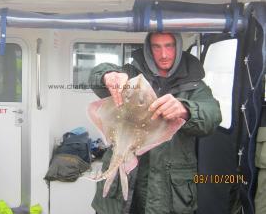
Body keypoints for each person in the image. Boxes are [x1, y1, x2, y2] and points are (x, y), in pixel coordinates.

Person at [89, 32, 222, 214]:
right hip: (122, 184)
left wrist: (186, 110)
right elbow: (97, 74)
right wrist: (108, 76)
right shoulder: (130, 75)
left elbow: (213, 115)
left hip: (168, 192)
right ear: (148, 49)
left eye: (169, 46)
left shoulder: (195, 86)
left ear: (178, 47)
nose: (164, 54)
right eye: (156, 47)